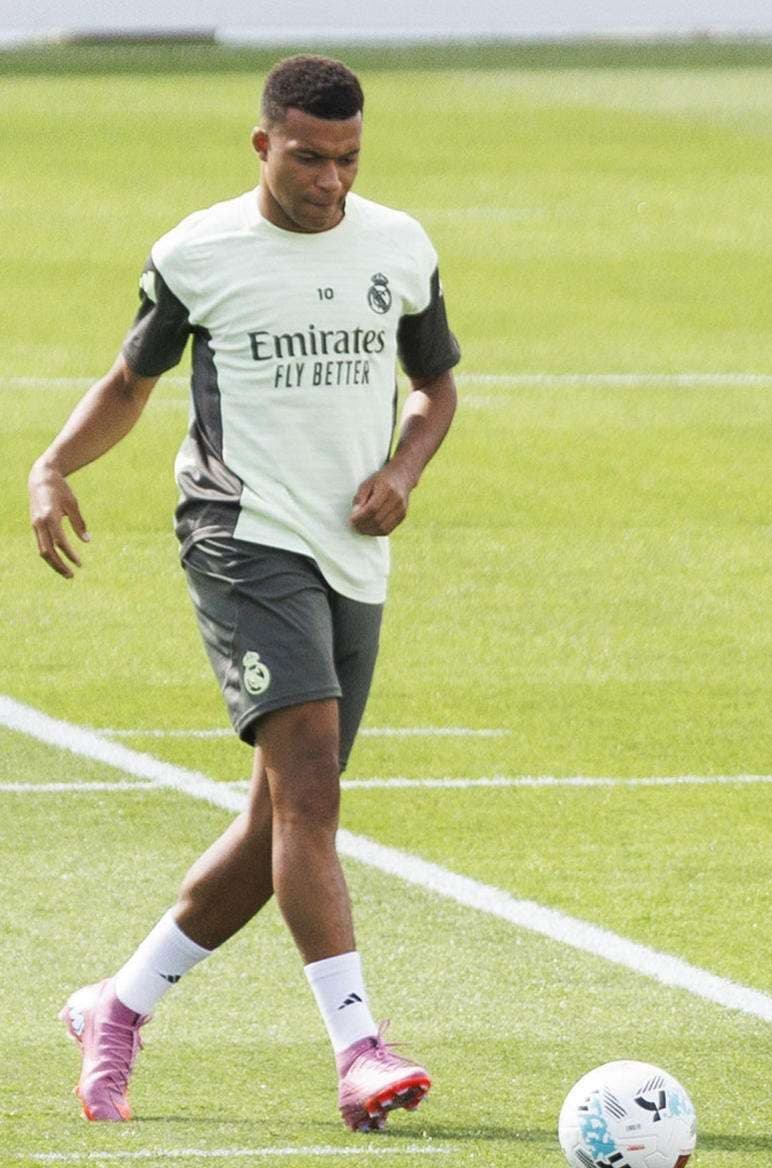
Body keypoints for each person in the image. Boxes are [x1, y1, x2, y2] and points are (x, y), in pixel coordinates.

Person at [26, 54, 460, 1132]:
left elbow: (435, 385)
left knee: (280, 826)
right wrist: (51, 466)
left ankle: (115, 1005)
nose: (331, 181)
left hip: (351, 550)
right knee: (310, 795)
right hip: (240, 536)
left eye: (349, 159)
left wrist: (402, 473)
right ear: (263, 144)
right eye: (309, 157)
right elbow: (132, 381)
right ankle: (360, 1047)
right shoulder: (199, 252)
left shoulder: (397, 246)